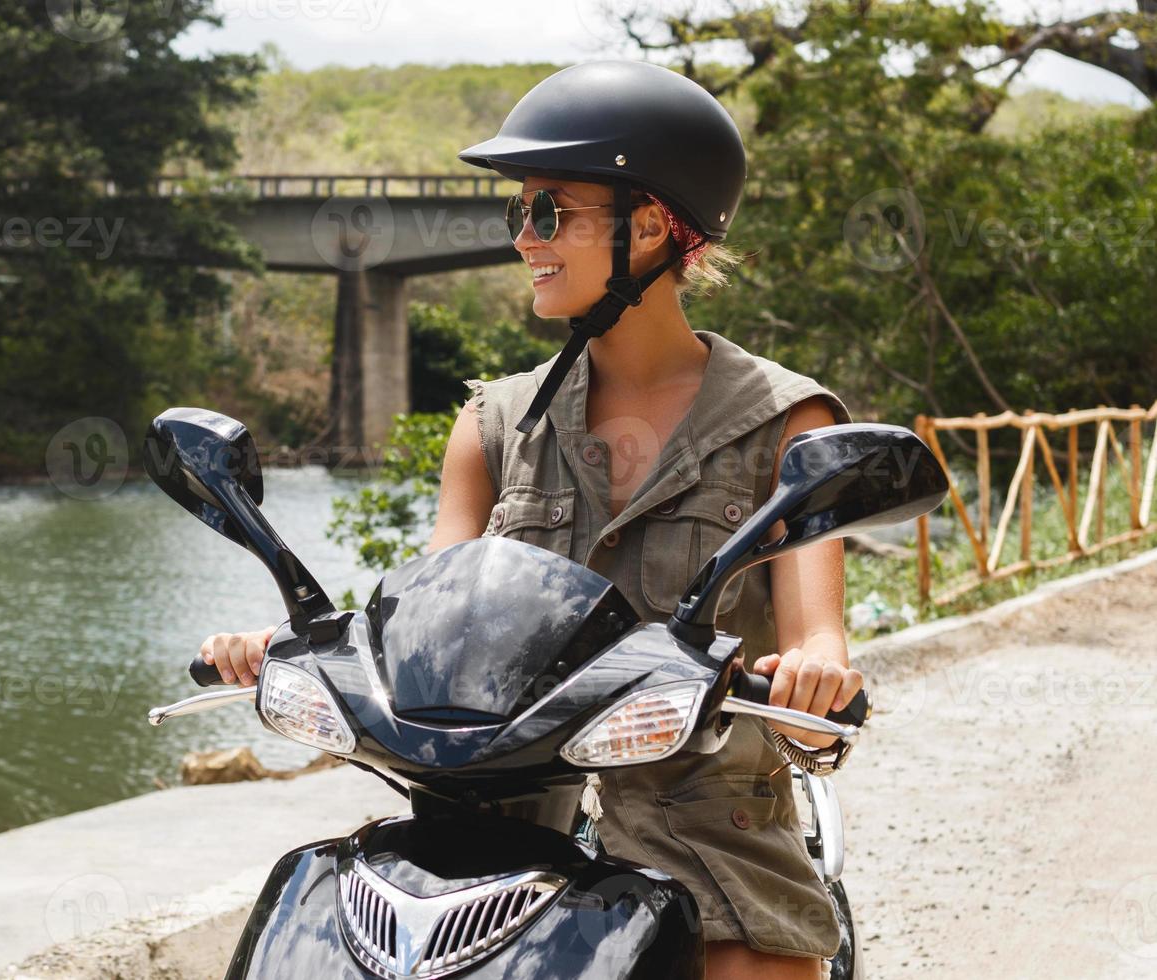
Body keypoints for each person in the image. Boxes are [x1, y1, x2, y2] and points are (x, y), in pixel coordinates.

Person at [200, 61, 863, 979]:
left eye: (550, 211)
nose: (524, 238)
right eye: (519, 213)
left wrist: (815, 682)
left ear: (653, 225)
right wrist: (292, 648)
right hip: (497, 827)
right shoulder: (492, 427)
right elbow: (424, 627)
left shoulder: (790, 425)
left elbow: (818, 648)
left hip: (705, 829)